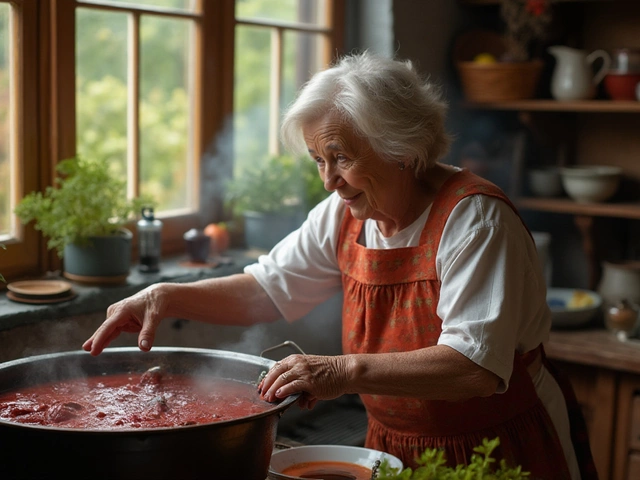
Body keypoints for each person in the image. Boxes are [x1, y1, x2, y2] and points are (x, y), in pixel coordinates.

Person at [84, 51, 596, 479]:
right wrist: (166, 295)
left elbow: (474, 367)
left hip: (496, 446)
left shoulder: (475, 222)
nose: (328, 180)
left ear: (402, 149)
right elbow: (268, 288)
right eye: (317, 160)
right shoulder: (346, 211)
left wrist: (340, 370)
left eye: (341, 157)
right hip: (388, 447)